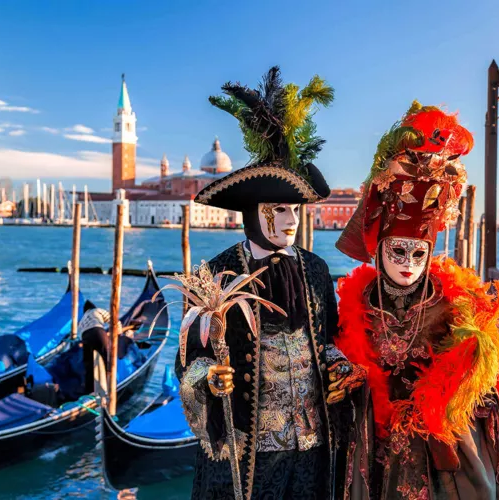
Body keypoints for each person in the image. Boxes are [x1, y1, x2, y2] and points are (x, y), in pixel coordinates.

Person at [334, 101, 499, 499]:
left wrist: (453, 385)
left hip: (441, 445)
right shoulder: (358, 302)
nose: (409, 264)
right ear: (379, 252)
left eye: (418, 254)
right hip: (374, 443)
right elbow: (346, 358)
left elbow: (487, 380)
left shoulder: (455, 302)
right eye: (398, 252)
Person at [175, 66, 363, 500]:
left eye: (295, 210)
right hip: (248, 450)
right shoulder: (216, 272)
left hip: (313, 446)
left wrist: (341, 368)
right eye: (279, 209)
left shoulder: (315, 269)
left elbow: (327, 336)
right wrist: (209, 379)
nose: (290, 220)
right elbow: (189, 357)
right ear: (254, 212)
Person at [79, 300, 138, 393]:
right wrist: (120, 331)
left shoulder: (82, 320)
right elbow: (114, 321)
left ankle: (89, 391)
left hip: (85, 337)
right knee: (108, 358)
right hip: (98, 331)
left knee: (90, 365)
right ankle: (110, 385)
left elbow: (86, 335)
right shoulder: (97, 310)